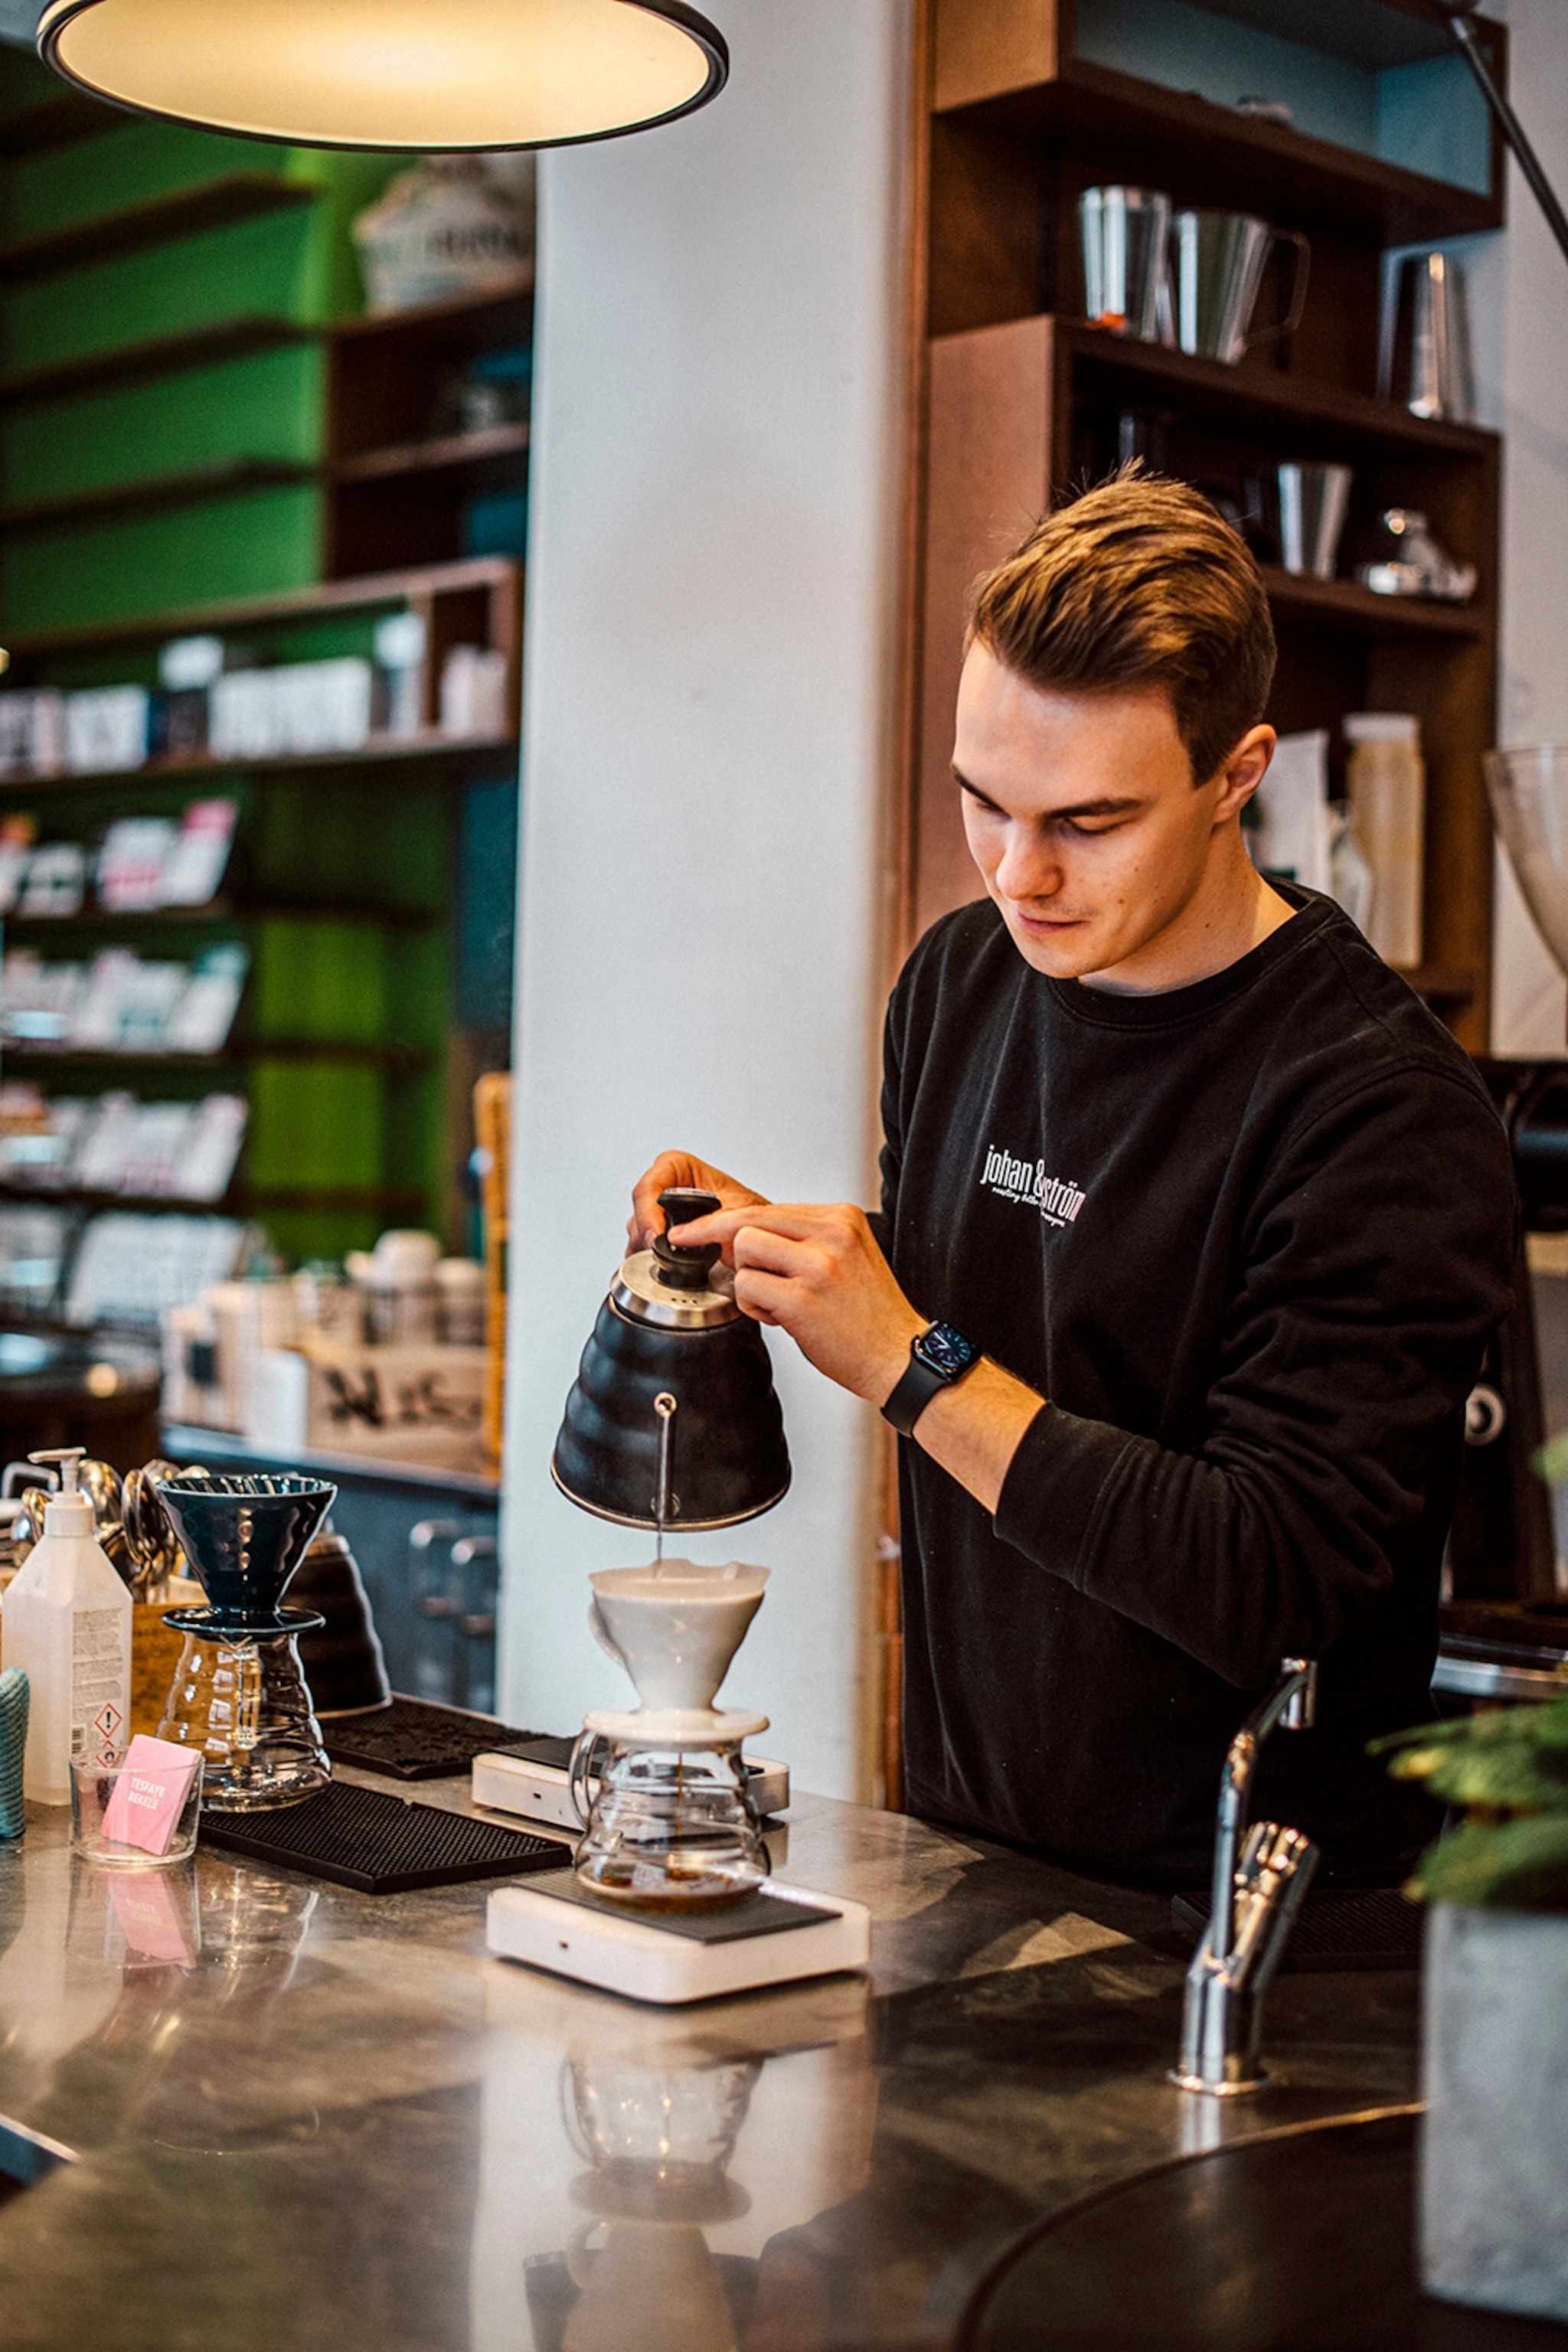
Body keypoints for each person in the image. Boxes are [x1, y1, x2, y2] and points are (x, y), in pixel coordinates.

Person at [629, 470, 1517, 1890]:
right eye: (985, 802)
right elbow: (1042, 1288)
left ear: (1239, 775)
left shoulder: (1378, 1112)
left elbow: (1272, 1579)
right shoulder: (960, 981)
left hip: (1249, 1919)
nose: (1018, 874)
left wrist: (910, 1364)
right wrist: (809, 1257)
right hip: (969, 1849)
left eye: (1088, 823)